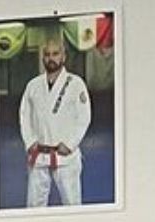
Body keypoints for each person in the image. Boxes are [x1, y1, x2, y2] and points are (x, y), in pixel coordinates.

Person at [19, 34, 91, 208]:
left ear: (63, 57)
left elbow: (84, 117)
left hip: (65, 156)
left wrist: (70, 143)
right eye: (47, 54)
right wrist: (30, 141)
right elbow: (24, 115)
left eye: (55, 53)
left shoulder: (75, 84)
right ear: (43, 57)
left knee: (72, 204)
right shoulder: (33, 85)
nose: (51, 58)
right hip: (39, 155)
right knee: (34, 207)